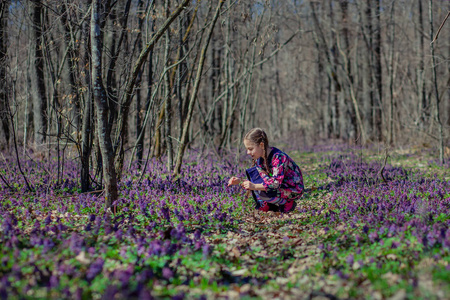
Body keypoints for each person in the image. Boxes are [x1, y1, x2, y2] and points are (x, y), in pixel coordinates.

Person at [228, 128, 304, 213]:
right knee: (254, 175)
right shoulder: (259, 159)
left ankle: (288, 203)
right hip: (280, 187)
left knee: (263, 191)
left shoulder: (278, 157)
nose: (248, 152)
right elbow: (257, 181)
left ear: (261, 145)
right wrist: (240, 181)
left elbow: (275, 184)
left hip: (293, 189)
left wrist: (254, 186)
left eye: (250, 149)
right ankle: (268, 205)